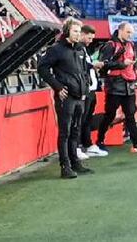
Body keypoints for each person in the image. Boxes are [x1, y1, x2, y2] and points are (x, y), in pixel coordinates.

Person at [36, 19, 93, 178]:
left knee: (76, 130)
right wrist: (57, 87)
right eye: (75, 31)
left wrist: (86, 85)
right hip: (66, 97)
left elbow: (83, 71)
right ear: (67, 31)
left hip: (80, 96)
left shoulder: (81, 49)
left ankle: (75, 162)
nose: (78, 34)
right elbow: (42, 68)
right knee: (65, 132)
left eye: (79, 31)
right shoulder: (56, 49)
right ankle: (65, 166)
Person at [94, 22, 137, 154]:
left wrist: (135, 76)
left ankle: (136, 142)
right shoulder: (110, 45)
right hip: (114, 84)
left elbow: (133, 63)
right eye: (128, 32)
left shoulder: (131, 45)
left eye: (131, 32)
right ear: (120, 31)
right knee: (110, 114)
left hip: (128, 84)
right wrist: (121, 64)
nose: (130, 35)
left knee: (130, 114)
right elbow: (104, 64)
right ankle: (100, 140)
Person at [77, 24, 107, 159]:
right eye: (89, 38)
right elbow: (80, 67)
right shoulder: (77, 49)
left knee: (87, 119)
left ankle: (87, 145)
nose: (90, 41)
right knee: (81, 120)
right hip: (85, 89)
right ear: (82, 34)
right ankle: (77, 146)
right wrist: (92, 65)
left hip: (92, 89)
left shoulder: (85, 49)